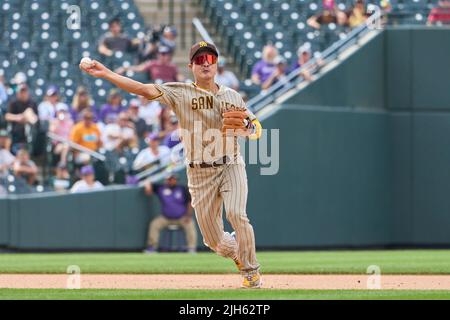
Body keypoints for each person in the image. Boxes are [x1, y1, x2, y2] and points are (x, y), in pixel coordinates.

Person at [80, 40, 263, 288]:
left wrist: (249, 127)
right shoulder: (180, 92)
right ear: (191, 66)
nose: (205, 63)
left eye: (210, 59)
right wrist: (107, 73)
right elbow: (143, 90)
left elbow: (256, 129)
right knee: (214, 242)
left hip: (230, 164)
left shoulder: (232, 96)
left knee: (236, 214)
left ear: (217, 64)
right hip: (199, 173)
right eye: (200, 60)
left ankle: (251, 273)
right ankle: (237, 254)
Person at [143, 174, 197, 253]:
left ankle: (191, 248)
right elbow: (148, 188)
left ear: (176, 180)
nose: (171, 181)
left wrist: (188, 216)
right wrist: (147, 186)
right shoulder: (161, 188)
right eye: (169, 179)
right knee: (154, 224)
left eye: (173, 179)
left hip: (181, 217)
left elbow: (190, 202)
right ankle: (152, 247)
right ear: (166, 180)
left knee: (190, 224)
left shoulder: (182, 189)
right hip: (166, 218)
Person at [116, 46, 184, 83]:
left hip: (169, 87)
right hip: (157, 87)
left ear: (168, 56)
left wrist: (184, 80)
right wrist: (124, 68)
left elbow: (178, 76)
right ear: (158, 54)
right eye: (161, 53)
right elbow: (139, 68)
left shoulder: (172, 66)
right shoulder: (152, 63)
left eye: (165, 54)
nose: (163, 56)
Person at [4, 84, 38, 154]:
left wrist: (25, 118)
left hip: (29, 131)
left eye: (24, 92)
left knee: (29, 111)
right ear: (18, 93)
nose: (23, 94)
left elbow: (36, 118)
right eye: (21, 92)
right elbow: (7, 116)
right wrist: (19, 117)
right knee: (28, 112)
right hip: (16, 132)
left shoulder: (32, 103)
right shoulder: (14, 103)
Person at [49, 107, 74, 179]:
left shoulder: (70, 122)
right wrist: (58, 122)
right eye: (60, 112)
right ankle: (63, 165)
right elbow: (52, 132)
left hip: (69, 144)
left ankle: (63, 166)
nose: (62, 114)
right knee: (64, 147)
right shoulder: (54, 121)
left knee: (66, 146)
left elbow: (72, 135)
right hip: (57, 145)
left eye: (64, 112)